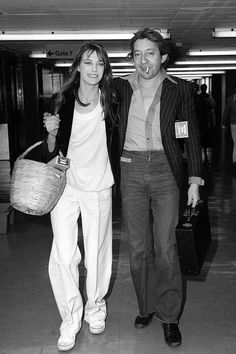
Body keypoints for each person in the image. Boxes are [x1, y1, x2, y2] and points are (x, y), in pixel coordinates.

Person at [113, 27, 203, 348]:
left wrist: (194, 179)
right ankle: (146, 306)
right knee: (138, 250)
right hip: (130, 168)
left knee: (165, 248)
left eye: (149, 53)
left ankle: (168, 315)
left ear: (163, 56)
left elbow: (190, 134)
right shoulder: (119, 88)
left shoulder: (179, 90)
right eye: (137, 54)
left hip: (167, 170)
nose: (143, 60)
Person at [42, 41, 117, 351]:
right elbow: (49, 150)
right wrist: (50, 131)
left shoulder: (111, 100)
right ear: (77, 67)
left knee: (98, 252)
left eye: (99, 63)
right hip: (66, 186)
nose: (94, 69)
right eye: (88, 63)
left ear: (105, 69)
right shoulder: (61, 99)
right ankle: (70, 317)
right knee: (62, 254)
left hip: (99, 185)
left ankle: (95, 309)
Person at [196, 83, 216, 164]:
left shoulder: (198, 97)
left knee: (201, 132)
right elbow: (213, 106)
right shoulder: (208, 97)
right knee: (207, 131)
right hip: (206, 117)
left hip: (200, 118)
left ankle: (202, 144)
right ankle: (206, 144)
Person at [223, 83, 236, 170]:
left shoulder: (231, 99)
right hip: (233, 123)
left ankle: (234, 160)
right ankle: (234, 159)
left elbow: (227, 111)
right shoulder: (231, 99)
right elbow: (227, 111)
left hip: (233, 123)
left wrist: (224, 121)